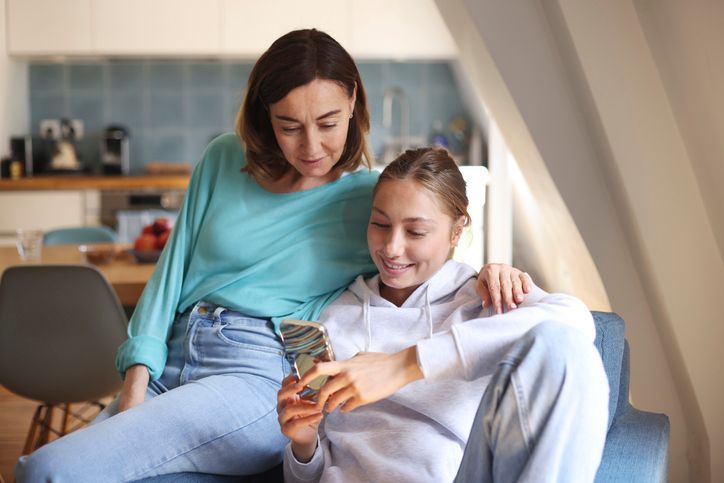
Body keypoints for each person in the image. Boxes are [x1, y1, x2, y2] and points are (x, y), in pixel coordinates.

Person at [15, 30, 528, 482]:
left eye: (328, 123)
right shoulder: (221, 158)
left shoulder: (370, 200)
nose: (311, 146)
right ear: (266, 117)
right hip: (171, 360)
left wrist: (490, 270)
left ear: (353, 100)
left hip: (255, 377)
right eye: (289, 126)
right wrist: (136, 383)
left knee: (45, 469)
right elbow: (168, 279)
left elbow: (426, 247)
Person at [278, 147, 610, 483]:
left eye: (416, 232)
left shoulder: (485, 299)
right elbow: (306, 477)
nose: (391, 248)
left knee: (565, 348)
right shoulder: (335, 317)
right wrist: (303, 446)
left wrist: (406, 364)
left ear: (456, 231)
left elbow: (576, 324)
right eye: (380, 224)